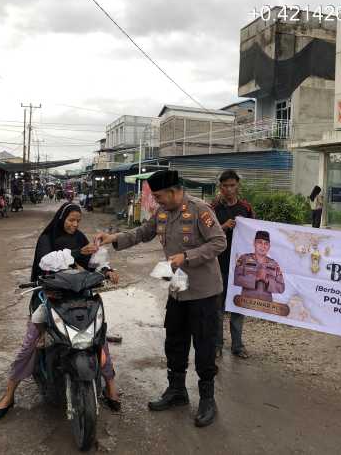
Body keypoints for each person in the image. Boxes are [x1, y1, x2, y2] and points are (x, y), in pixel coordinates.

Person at [96, 170, 226, 428]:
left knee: (204, 346)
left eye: (158, 196)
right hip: (178, 291)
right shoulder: (164, 213)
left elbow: (219, 242)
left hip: (204, 293)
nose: (156, 202)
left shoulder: (200, 210)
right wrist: (113, 239)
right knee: (175, 342)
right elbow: (143, 232)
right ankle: (177, 391)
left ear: (174, 191)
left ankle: (208, 399)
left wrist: (186, 257)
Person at [0, 203, 121, 421]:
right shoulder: (47, 239)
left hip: (77, 296)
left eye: (78, 221)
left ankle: (110, 386)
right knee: (31, 343)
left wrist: (106, 270)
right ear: (61, 218)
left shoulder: (79, 237)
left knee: (99, 337)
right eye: (71, 220)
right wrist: (77, 253)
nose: (74, 224)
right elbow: (45, 263)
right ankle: (9, 393)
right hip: (48, 297)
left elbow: (91, 262)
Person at [211, 169, 255, 359]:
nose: (229, 189)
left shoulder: (246, 208)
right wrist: (223, 227)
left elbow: (256, 234)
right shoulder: (213, 209)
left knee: (238, 307)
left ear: (238, 186)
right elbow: (206, 234)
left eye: (232, 185)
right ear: (220, 187)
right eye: (225, 186)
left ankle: (238, 346)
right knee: (218, 309)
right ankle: (217, 345)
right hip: (218, 266)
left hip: (240, 268)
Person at [234, 231, 285, 302]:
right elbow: (236, 279)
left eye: (266, 243)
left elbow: (281, 287)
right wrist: (256, 278)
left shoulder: (274, 264)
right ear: (254, 243)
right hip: (246, 303)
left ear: (269, 246)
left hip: (266, 306)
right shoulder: (244, 259)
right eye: (260, 242)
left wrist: (267, 281)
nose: (263, 246)